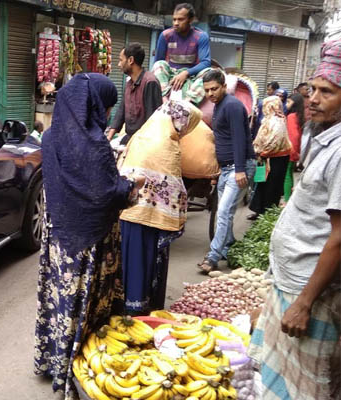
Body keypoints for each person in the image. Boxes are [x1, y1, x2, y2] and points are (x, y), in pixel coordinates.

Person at [34, 73, 145, 400]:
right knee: (86, 304)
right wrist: (130, 188)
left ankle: (54, 360)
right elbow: (104, 195)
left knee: (58, 301)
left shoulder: (51, 136)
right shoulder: (94, 145)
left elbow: (71, 184)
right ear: (92, 104)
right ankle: (80, 370)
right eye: (107, 106)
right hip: (90, 243)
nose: (108, 113)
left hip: (58, 237)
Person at [248, 40, 341, 400]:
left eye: (327, 92)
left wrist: (303, 302)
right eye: (313, 89)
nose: (313, 98)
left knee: (308, 388)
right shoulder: (322, 136)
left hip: (312, 294)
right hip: (292, 282)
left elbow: (338, 238)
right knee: (277, 381)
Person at [118, 100, 202, 314]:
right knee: (144, 263)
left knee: (129, 261)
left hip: (128, 211)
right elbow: (174, 189)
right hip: (149, 219)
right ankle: (140, 310)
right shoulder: (167, 144)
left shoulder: (142, 135)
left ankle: (126, 306)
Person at [197, 70, 255, 273]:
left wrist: (240, 170)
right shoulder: (219, 105)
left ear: (223, 86)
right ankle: (229, 248)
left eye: (214, 89)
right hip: (227, 169)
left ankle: (212, 257)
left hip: (239, 167)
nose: (210, 94)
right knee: (225, 213)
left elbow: (239, 138)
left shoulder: (232, 106)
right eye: (207, 91)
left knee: (223, 212)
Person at [152, 3, 211, 105]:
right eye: (174, 19)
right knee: (158, 65)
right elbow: (158, 61)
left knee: (209, 72)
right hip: (171, 75)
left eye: (180, 19)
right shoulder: (165, 35)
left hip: (191, 76)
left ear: (191, 20)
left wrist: (186, 73)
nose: (176, 23)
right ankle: (164, 100)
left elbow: (206, 62)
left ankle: (188, 103)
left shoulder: (201, 36)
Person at [105, 42, 162, 144]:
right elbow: (121, 111)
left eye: (121, 60)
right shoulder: (129, 83)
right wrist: (108, 138)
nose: (119, 64)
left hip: (144, 141)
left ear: (130, 60)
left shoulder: (150, 82)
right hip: (130, 138)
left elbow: (153, 120)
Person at [247, 96, 291, 220]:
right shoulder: (268, 119)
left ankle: (266, 214)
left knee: (271, 187)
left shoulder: (278, 121)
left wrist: (260, 151)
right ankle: (258, 210)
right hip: (265, 158)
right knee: (261, 185)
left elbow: (273, 141)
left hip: (276, 159)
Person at [283, 93, 305, 202]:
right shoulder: (300, 116)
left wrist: (292, 151)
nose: (286, 104)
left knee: (286, 176)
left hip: (290, 150)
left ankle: (287, 200)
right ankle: (289, 197)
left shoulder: (291, 116)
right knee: (289, 174)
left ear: (294, 104)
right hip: (295, 150)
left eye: (288, 102)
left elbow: (294, 135)